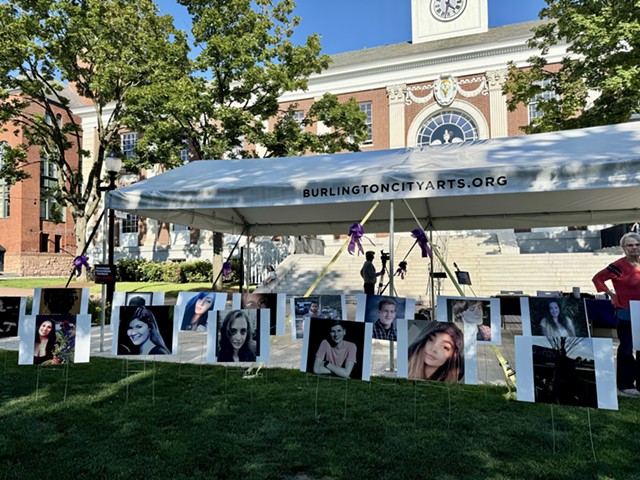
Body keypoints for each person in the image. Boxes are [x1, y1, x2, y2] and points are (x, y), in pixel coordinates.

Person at [592, 232, 640, 397]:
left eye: (637, 244)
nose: (634, 248)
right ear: (624, 248)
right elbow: (597, 279)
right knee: (627, 348)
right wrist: (612, 295)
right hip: (625, 311)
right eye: (630, 245)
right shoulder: (618, 265)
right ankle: (625, 384)